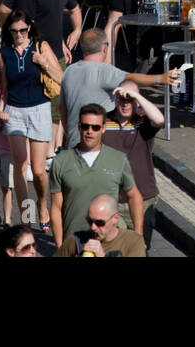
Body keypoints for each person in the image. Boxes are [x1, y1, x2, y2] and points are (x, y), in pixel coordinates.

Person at [0, 8, 61, 234]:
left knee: (40, 170)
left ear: (29, 28)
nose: (19, 35)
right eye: (14, 31)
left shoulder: (41, 47)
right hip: (14, 110)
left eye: (23, 30)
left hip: (40, 109)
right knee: (20, 166)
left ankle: (42, 206)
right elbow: (5, 87)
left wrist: (43, 63)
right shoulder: (3, 52)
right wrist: (0, 108)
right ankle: (26, 218)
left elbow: (61, 77)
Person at [60, 26, 177, 148]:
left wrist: (71, 135)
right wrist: (161, 78)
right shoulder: (104, 71)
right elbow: (132, 78)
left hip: (74, 144)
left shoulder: (69, 72)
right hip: (97, 148)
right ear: (105, 48)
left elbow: (63, 111)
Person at [49, 103, 144, 248]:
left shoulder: (118, 159)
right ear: (79, 127)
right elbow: (56, 207)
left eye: (96, 127)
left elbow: (134, 196)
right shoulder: (61, 162)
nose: (90, 131)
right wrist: (60, 245)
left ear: (103, 128)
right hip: (75, 242)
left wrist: (138, 235)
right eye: (85, 126)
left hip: (111, 244)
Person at [103, 80, 163, 247]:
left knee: (140, 249)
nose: (125, 103)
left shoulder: (143, 123)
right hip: (113, 200)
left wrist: (136, 95)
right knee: (116, 248)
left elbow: (159, 119)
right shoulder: (104, 123)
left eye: (130, 99)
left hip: (143, 199)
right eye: (122, 98)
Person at [54, 192, 147, 257]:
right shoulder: (77, 240)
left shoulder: (133, 241)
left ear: (115, 218)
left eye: (100, 223)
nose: (93, 227)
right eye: (90, 221)